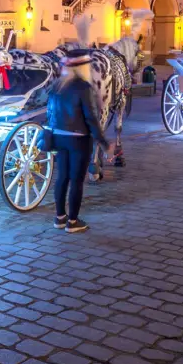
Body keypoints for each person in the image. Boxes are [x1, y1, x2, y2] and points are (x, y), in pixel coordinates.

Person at [46, 50, 108, 233]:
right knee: (77, 181)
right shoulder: (84, 87)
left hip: (58, 137)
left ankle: (59, 218)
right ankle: (73, 221)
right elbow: (91, 118)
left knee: (62, 178)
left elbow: (50, 113)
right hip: (78, 140)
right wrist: (103, 142)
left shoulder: (57, 86)